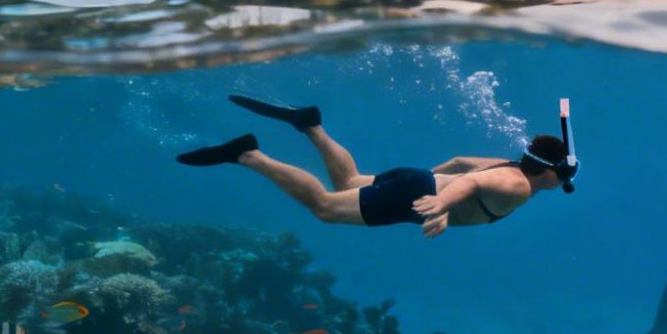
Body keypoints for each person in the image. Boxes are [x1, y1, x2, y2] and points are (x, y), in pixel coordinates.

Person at [178, 95, 576, 237]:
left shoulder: (508, 165)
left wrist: (425, 183)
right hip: (418, 197)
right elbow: (470, 186)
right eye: (563, 176)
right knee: (325, 208)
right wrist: (439, 206)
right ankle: (247, 154)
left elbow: (460, 164)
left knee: (348, 180)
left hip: (417, 182)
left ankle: (311, 126)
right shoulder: (519, 186)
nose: (562, 183)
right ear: (549, 172)